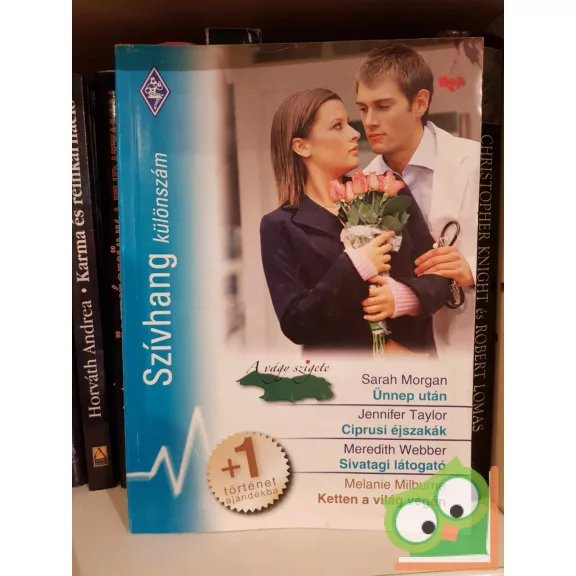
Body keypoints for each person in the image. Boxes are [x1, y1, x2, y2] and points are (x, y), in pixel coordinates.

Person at [259, 87, 451, 355]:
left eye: (348, 123)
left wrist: (402, 297)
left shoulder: (389, 189)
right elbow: (295, 324)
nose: (355, 133)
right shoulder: (280, 225)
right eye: (337, 126)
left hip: (414, 370)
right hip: (343, 376)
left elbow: (439, 277)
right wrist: (355, 265)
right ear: (302, 146)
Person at [355, 42, 480, 355]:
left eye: (383, 106)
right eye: (363, 108)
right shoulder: (360, 189)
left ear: (420, 103)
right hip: (404, 361)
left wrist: (472, 269)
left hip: (472, 346)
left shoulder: (480, 163)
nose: (369, 121)